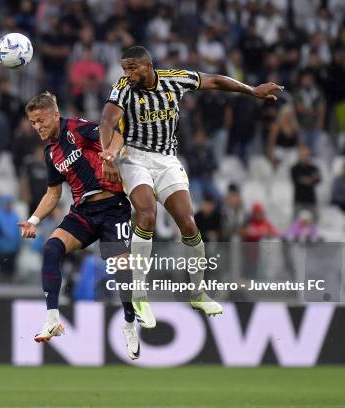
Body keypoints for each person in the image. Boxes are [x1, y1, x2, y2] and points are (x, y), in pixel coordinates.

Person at [99, 46, 284, 326]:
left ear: (149, 66)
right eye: (125, 68)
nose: (128, 73)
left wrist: (252, 90)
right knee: (147, 214)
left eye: (133, 68)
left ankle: (197, 292)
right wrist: (107, 155)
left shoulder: (175, 79)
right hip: (133, 157)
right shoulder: (123, 87)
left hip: (167, 159)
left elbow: (215, 80)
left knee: (188, 224)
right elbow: (107, 120)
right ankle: (138, 293)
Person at [19, 92, 140, 360]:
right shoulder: (50, 152)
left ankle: (130, 321)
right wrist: (33, 220)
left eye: (40, 120)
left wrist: (109, 155)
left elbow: (116, 135)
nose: (37, 126)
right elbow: (53, 194)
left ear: (55, 114)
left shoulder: (76, 128)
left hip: (113, 208)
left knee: (122, 269)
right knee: (52, 248)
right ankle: (52, 318)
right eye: (32, 122)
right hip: (83, 212)